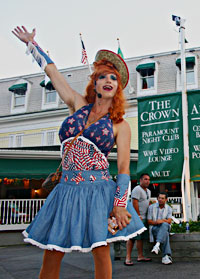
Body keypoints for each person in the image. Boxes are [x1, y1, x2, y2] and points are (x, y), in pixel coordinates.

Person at [13, 26, 145, 278]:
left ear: (118, 88)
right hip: (66, 189)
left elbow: (125, 169)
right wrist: (32, 44)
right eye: (103, 77)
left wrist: (119, 206)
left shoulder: (120, 125)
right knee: (52, 252)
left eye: (113, 78)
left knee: (101, 250)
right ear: (94, 82)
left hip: (99, 191)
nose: (108, 81)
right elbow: (52, 73)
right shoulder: (77, 104)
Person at [125, 173, 152, 266]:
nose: (147, 181)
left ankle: (140, 256)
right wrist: (138, 216)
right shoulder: (137, 189)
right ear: (140, 180)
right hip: (136, 218)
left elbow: (147, 203)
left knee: (140, 238)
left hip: (145, 217)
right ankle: (127, 258)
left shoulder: (148, 191)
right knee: (132, 238)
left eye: (148, 179)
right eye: (145, 179)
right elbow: (134, 203)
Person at [147, 192, 173, 265]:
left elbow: (169, 221)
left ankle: (157, 245)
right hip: (155, 228)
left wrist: (162, 221)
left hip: (164, 227)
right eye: (159, 198)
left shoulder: (169, 208)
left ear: (166, 199)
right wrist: (156, 222)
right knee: (166, 234)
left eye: (162, 198)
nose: (160, 200)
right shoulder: (151, 207)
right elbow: (149, 221)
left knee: (164, 225)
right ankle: (165, 256)